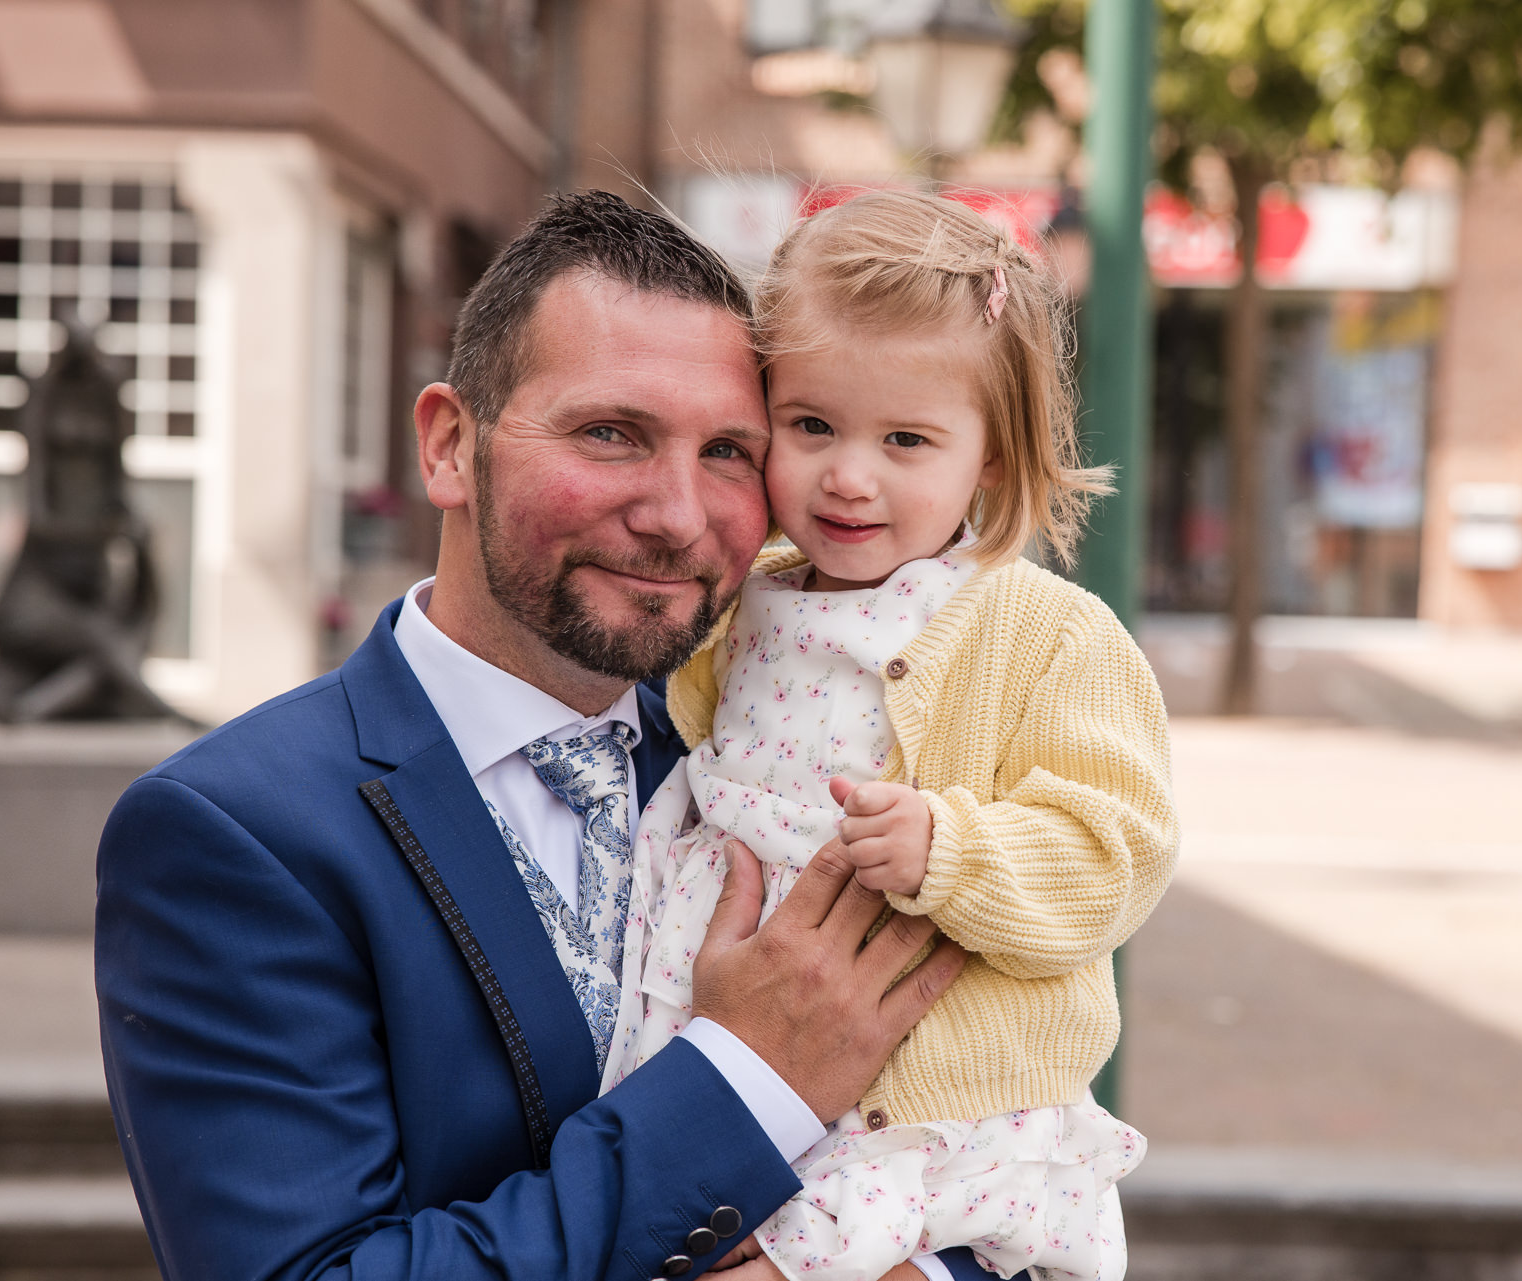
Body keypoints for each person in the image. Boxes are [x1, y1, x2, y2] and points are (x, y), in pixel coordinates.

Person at [94, 190, 975, 1281]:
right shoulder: (234, 834)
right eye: (613, 434)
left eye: (731, 454)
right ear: (451, 445)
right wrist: (747, 1075)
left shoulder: (792, 759)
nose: (677, 513)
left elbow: (992, 1131)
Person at [602, 190, 1181, 1281]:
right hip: (729, 1055)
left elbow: (1119, 852)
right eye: (813, 425)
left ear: (992, 463)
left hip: (922, 1115)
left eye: (906, 440)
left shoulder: (1044, 632)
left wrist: (949, 851)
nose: (849, 475)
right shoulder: (741, 608)